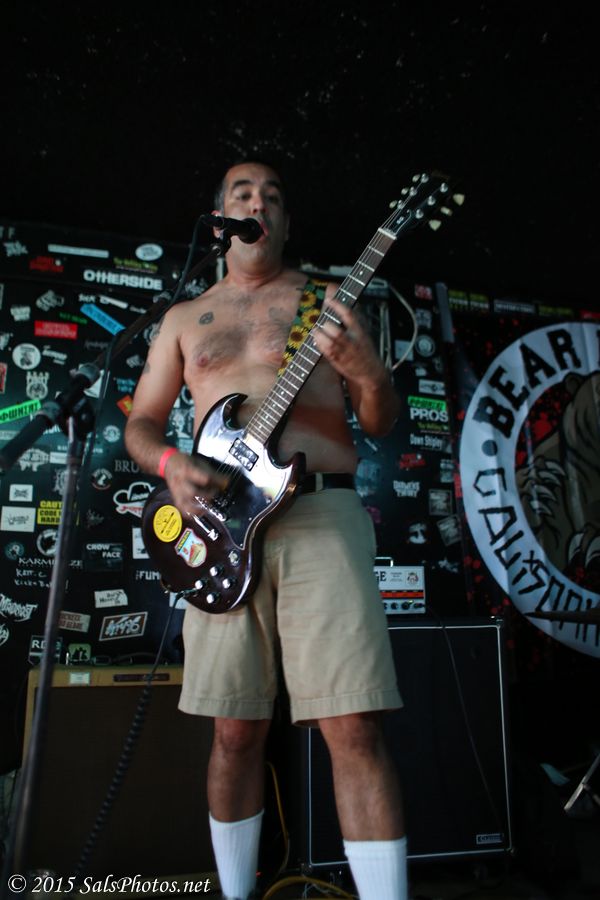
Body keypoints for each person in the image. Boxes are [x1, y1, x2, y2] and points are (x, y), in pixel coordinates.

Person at [125, 161, 407, 900]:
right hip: (219, 524)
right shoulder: (186, 318)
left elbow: (379, 420)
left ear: (285, 223)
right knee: (233, 729)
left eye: (274, 197)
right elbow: (142, 423)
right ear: (220, 216)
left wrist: (370, 373)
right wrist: (170, 463)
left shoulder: (329, 301)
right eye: (244, 194)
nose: (260, 203)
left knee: (353, 725)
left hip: (320, 515)